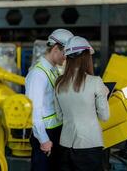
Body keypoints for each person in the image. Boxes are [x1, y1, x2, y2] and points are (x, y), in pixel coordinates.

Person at [54, 36, 110, 171]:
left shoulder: (59, 83)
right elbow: (104, 116)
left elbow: (59, 117)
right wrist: (104, 94)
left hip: (65, 145)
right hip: (89, 145)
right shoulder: (95, 82)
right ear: (86, 57)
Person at [25, 29, 74, 171]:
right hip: (45, 134)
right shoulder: (38, 74)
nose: (66, 57)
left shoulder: (53, 70)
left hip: (54, 131)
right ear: (55, 49)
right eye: (65, 53)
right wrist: (43, 139)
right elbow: (34, 110)